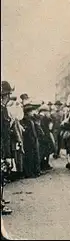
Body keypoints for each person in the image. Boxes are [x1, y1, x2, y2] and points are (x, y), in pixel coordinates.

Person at [1, 81, 15, 215]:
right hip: (1, 149)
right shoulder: (2, 110)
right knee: (2, 174)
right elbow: (4, 136)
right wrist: (8, 155)